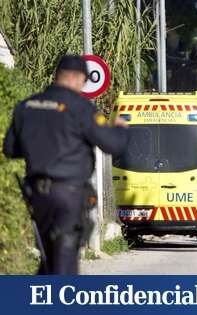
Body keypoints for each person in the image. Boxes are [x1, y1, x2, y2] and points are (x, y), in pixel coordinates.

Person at [2, 55, 129, 275]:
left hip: (37, 196)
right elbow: (113, 145)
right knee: (64, 262)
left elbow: (11, 149)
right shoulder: (80, 108)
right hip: (68, 195)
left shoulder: (27, 106)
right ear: (77, 78)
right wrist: (120, 128)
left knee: (48, 257)